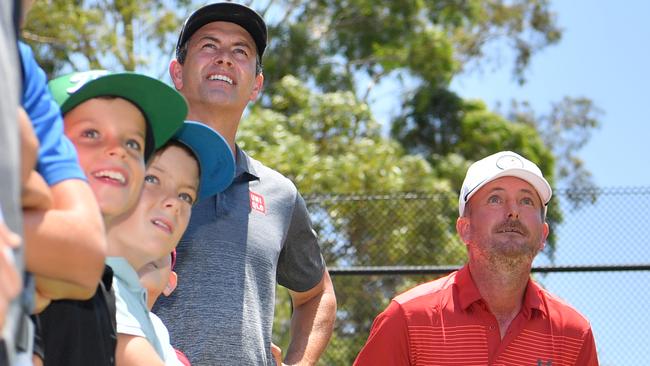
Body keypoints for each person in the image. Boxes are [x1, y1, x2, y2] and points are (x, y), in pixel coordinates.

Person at [153, 3, 337, 365]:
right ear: (178, 73)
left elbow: (317, 295)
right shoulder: (137, 168)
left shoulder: (279, 194)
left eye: (241, 52)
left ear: (255, 85)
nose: (224, 59)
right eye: (209, 46)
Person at [354, 151, 600, 366]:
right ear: (465, 229)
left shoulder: (574, 333)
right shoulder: (407, 318)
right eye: (495, 198)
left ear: (543, 234)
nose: (513, 211)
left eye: (527, 200)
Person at [37, 70, 187, 366]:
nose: (118, 151)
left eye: (133, 144)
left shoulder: (100, 288)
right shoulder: (20, 250)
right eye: (91, 134)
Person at [107, 120, 234, 365]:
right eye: (153, 179)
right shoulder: (94, 287)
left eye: (186, 195)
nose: (175, 203)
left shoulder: (152, 324)